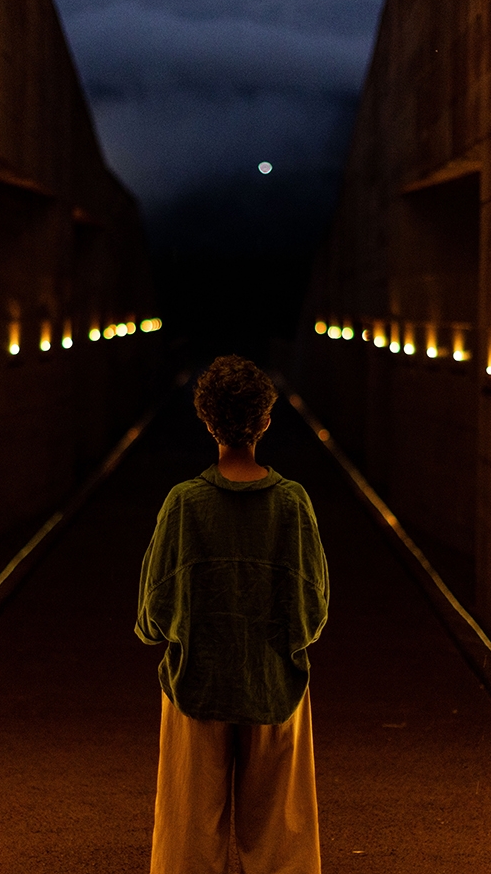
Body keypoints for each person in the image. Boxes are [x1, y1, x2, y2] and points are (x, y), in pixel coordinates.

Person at [136, 355, 330, 874]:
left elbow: (153, 610)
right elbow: (311, 609)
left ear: (206, 420)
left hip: (195, 685)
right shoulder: (292, 504)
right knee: (280, 838)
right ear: (265, 421)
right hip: (274, 685)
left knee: (188, 838)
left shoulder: (183, 504)